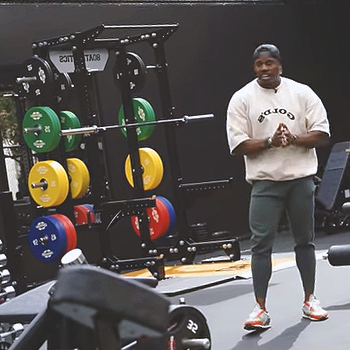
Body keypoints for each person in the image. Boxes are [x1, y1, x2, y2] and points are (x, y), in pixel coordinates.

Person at [226, 43, 330, 331]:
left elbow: (322, 134)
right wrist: (269, 142)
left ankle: (310, 299)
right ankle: (260, 308)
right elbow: (237, 146)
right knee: (261, 246)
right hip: (265, 183)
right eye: (259, 64)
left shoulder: (302, 92)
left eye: (269, 63)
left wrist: (294, 138)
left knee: (305, 241)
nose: (264, 69)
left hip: (300, 179)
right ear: (253, 68)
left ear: (280, 66)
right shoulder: (242, 98)